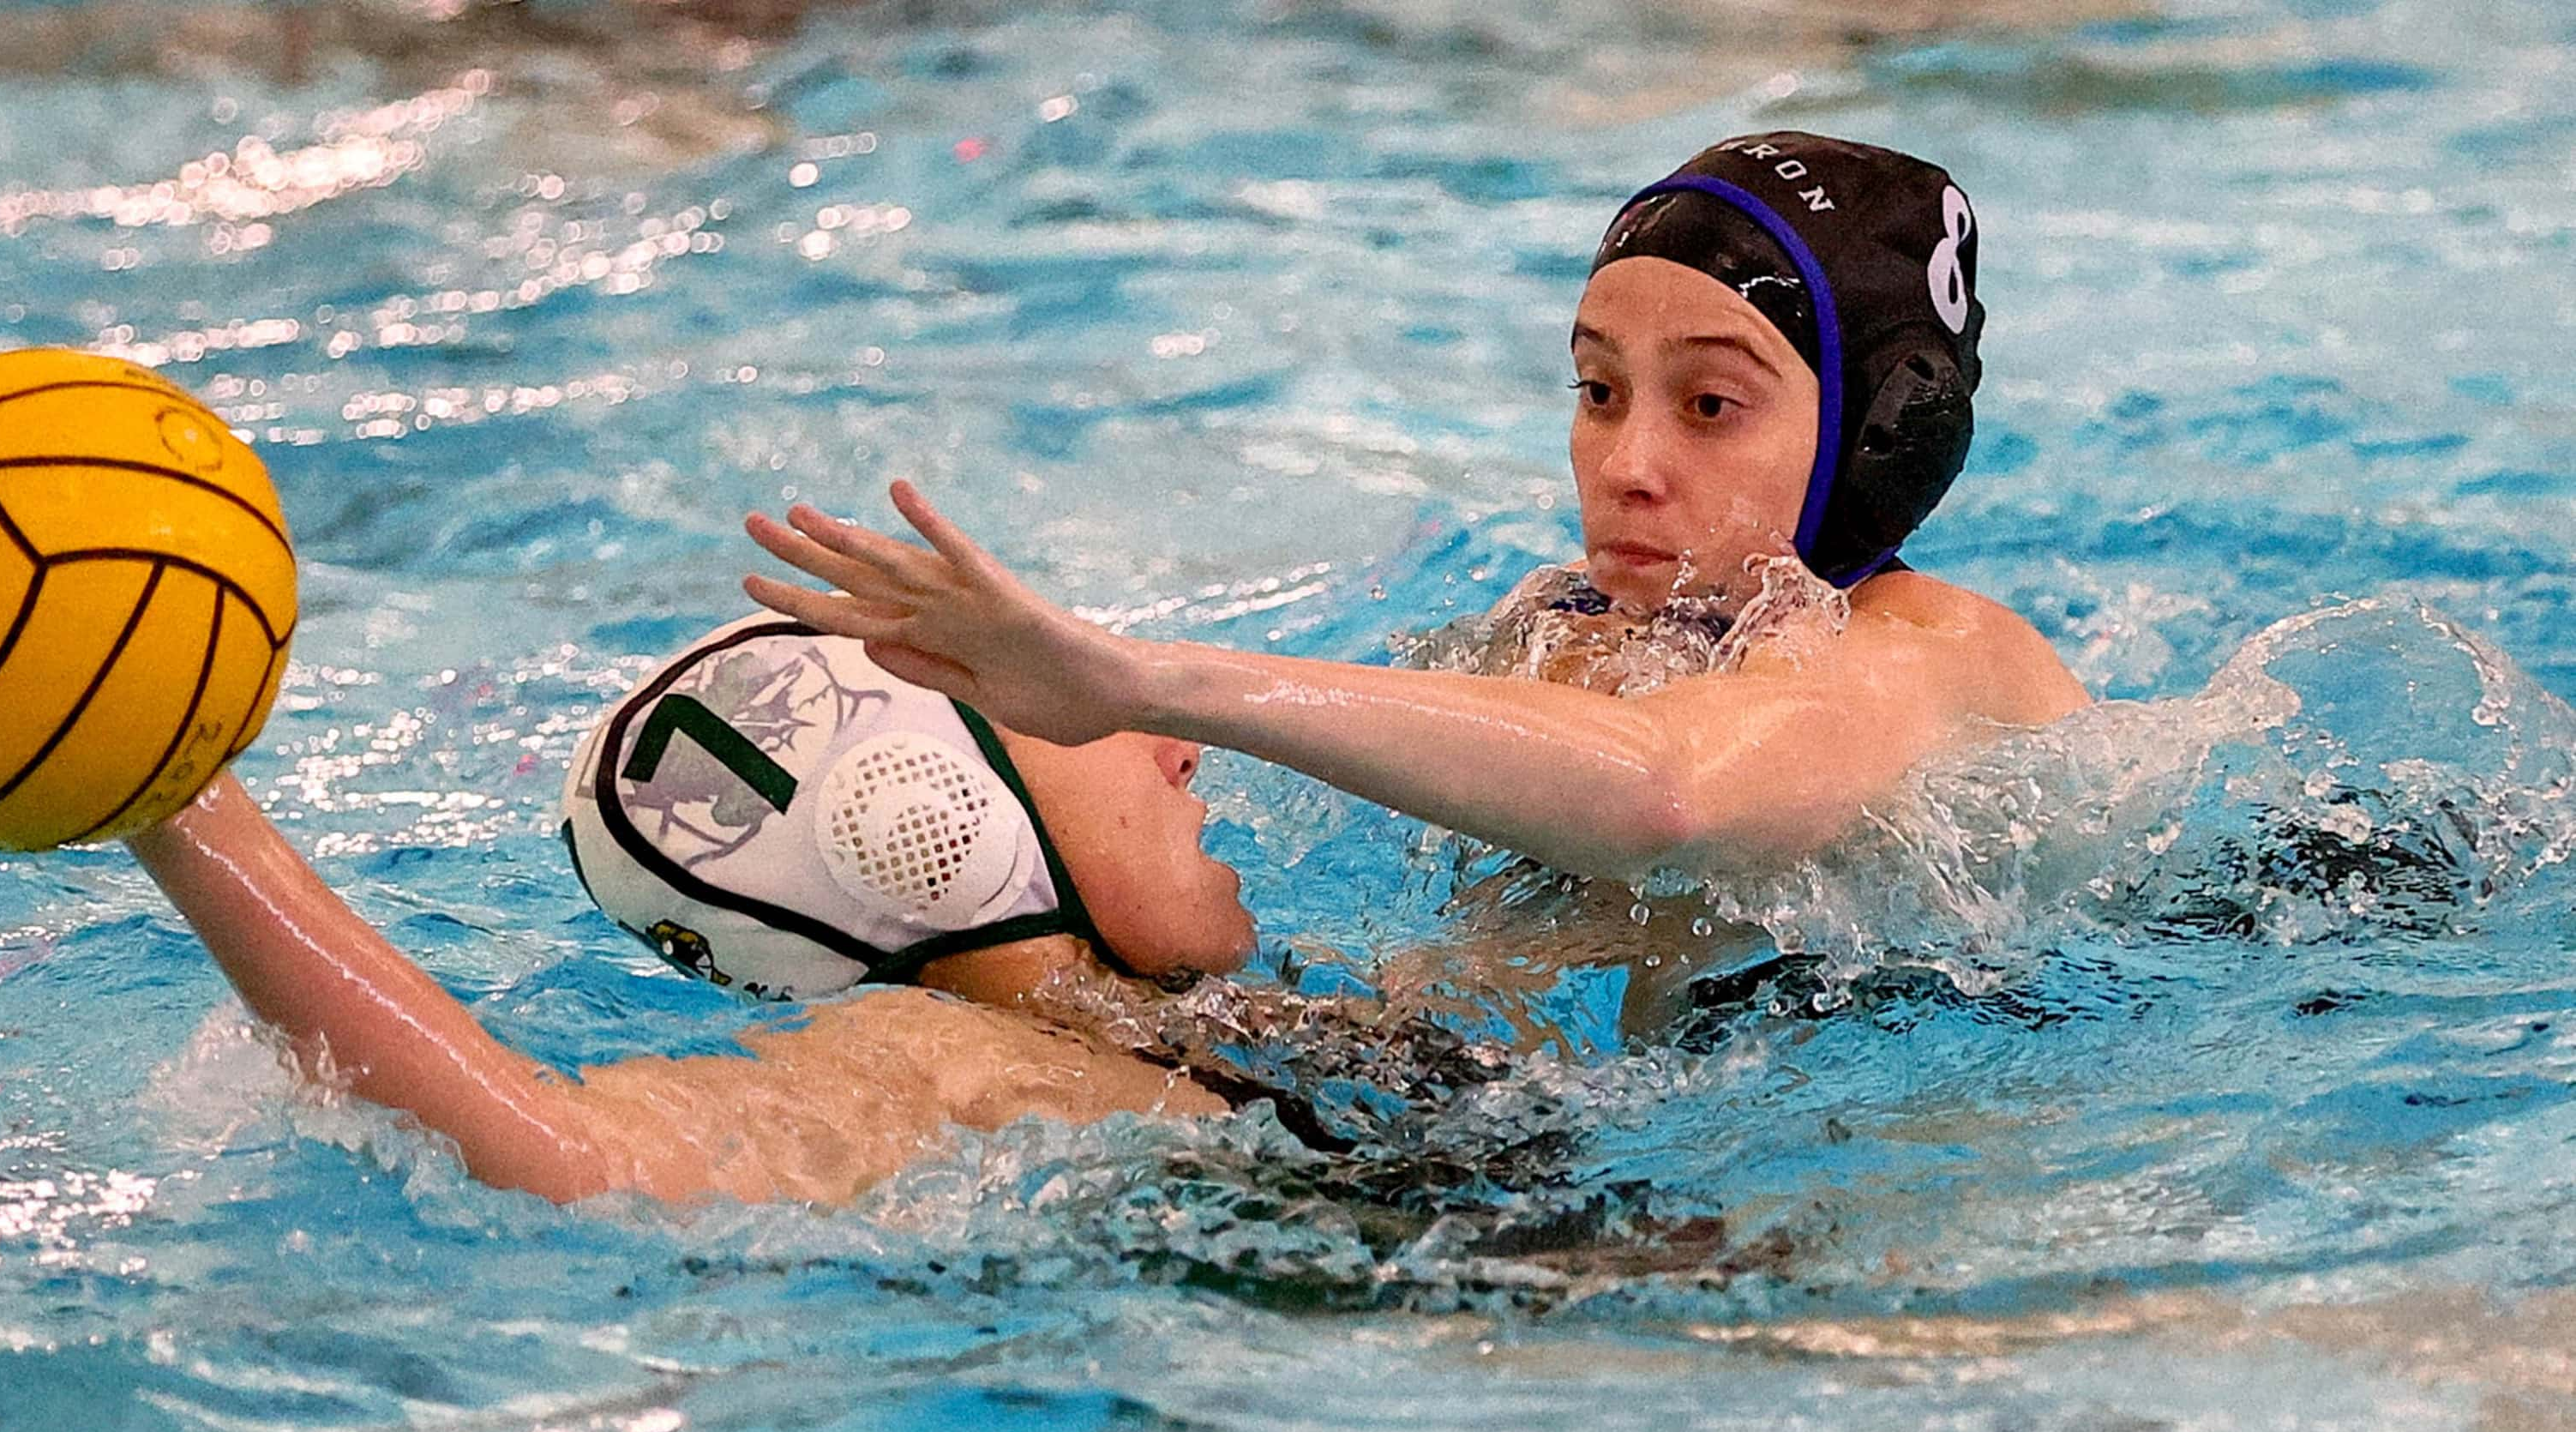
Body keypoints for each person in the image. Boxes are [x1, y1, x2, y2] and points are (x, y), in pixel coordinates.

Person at [742, 133, 2092, 881]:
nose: (1625, 463)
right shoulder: (1561, 628)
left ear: (1878, 441)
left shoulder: (1926, 654)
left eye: (1709, 407)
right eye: (1595, 388)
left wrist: (1143, 681)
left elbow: (1673, 795)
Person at [128, 611, 1265, 1206]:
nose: (1175, 744)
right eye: (1072, 700)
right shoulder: (933, 1063)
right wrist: (181, 810)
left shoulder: (1207, 1019)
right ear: (922, 812)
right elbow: (561, 1157)